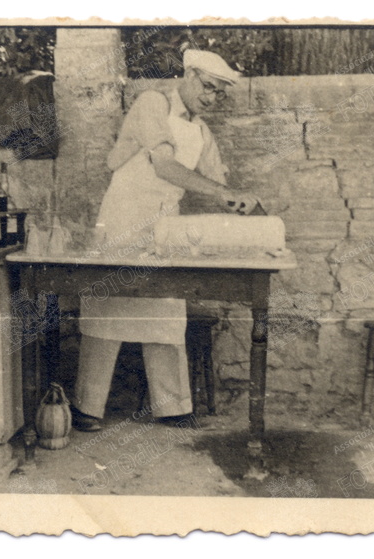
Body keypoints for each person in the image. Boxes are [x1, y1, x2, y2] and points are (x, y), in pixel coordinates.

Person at [71, 49, 259, 432]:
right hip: (122, 217)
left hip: (163, 225)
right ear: (188, 76)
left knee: (166, 310)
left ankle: (172, 407)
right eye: (208, 87)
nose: (212, 98)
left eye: (220, 93)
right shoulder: (152, 103)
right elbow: (165, 165)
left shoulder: (202, 132)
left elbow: (215, 182)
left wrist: (241, 201)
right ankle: (86, 407)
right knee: (107, 309)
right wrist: (221, 193)